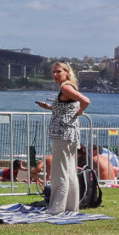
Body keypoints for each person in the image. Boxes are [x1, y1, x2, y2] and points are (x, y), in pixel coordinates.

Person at [36, 62, 90, 214]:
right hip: (70, 135)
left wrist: (80, 112)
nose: (54, 75)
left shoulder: (65, 87)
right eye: (53, 72)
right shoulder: (70, 87)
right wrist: (49, 107)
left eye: (58, 72)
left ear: (67, 72)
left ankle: (57, 207)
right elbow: (66, 109)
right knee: (69, 171)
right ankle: (71, 206)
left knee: (59, 172)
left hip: (62, 135)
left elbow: (86, 101)